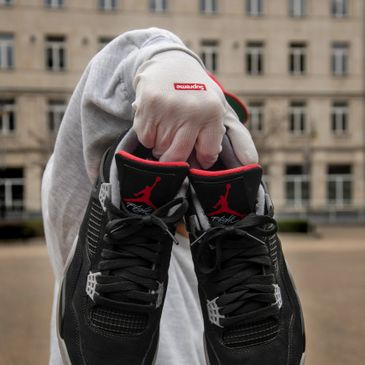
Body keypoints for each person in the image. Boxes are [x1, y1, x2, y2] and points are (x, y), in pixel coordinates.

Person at [42, 28, 305, 365]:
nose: (195, 152)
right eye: (175, 128)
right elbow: (94, 105)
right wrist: (164, 59)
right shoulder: (80, 209)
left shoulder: (252, 269)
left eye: (210, 137)